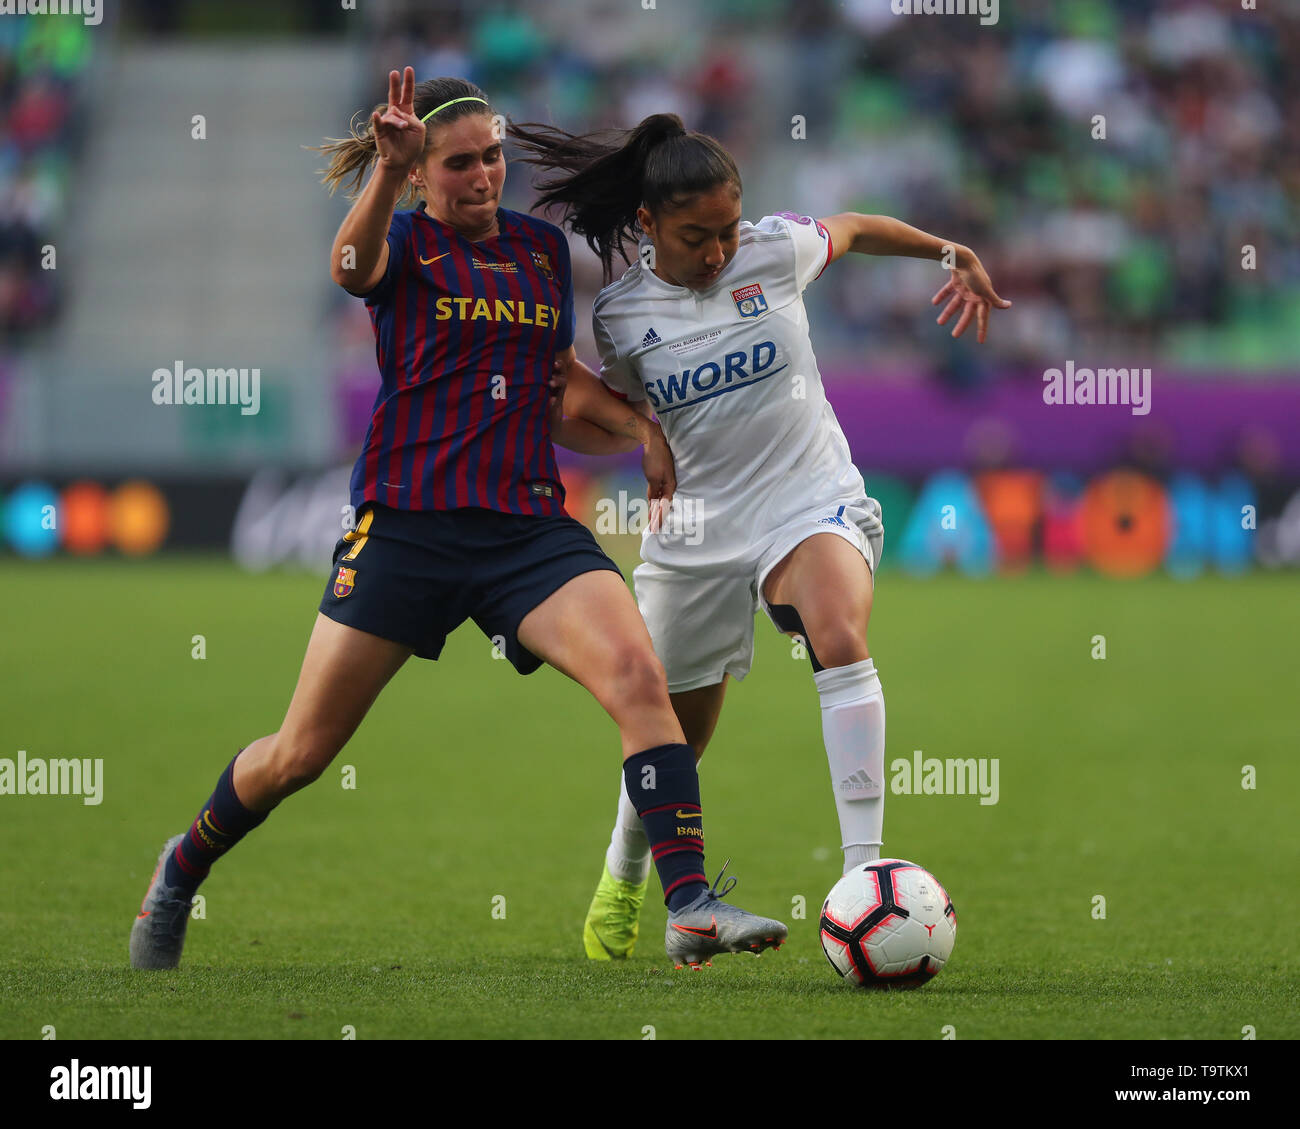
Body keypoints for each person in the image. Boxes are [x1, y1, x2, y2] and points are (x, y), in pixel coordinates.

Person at [129, 72, 786, 974]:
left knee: (640, 676)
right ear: (421, 172)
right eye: (460, 163)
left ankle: (689, 902)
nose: (483, 177)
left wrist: (640, 427)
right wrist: (383, 179)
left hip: (525, 530)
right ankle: (181, 864)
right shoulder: (400, 244)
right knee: (301, 754)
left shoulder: (538, 254)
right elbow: (349, 271)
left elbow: (555, 388)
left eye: (492, 157)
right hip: (407, 531)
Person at [506, 112, 1010, 959]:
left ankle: (863, 872)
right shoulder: (623, 319)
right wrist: (644, 432)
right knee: (674, 733)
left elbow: (853, 227)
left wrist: (944, 249)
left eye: (728, 230)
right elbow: (602, 407)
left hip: (807, 496)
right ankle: (623, 876)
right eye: (696, 236)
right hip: (698, 528)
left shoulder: (776, 250)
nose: (717, 252)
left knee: (838, 632)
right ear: (648, 227)